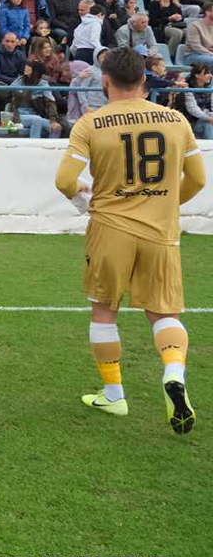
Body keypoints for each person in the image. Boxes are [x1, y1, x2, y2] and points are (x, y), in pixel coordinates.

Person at [56, 46, 205, 434]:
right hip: (160, 231)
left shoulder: (91, 123)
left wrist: (83, 201)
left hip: (110, 228)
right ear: (144, 80)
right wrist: (167, 204)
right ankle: (173, 373)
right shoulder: (176, 121)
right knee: (164, 312)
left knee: (104, 311)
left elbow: (64, 181)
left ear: (106, 81)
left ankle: (114, 393)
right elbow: (199, 179)